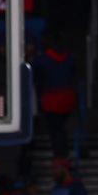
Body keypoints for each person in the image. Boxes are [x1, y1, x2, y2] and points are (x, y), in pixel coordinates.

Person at [32, 30, 76, 158]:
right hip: (67, 98)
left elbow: (35, 77)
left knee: (55, 130)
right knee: (60, 128)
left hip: (52, 100)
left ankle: (60, 156)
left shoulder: (41, 60)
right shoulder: (70, 58)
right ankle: (62, 154)